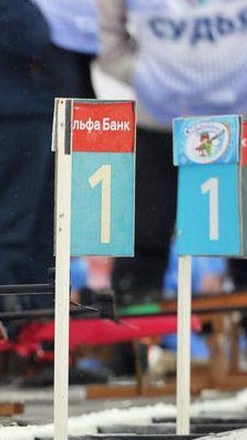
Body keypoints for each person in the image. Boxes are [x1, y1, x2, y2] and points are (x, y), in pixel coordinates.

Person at [97, 0, 247, 304]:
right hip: (158, 122)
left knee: (244, 242)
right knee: (142, 244)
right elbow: (101, 34)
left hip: (240, 123)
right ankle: (133, 341)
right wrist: (143, 77)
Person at [0, 0, 97, 315]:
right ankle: (0, 333)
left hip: (52, 89)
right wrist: (39, 31)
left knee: (51, 230)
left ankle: (41, 329)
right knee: (10, 222)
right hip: (14, 91)